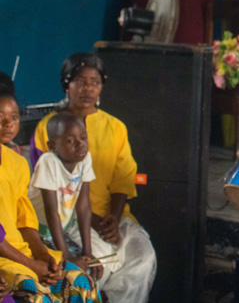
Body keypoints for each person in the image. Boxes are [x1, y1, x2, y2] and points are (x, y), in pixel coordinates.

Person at [32, 54, 156, 303]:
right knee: (95, 269)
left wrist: (114, 218)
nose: (88, 88)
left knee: (143, 259)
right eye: (80, 81)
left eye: (95, 82)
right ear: (67, 84)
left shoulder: (115, 127)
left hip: (114, 218)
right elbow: (54, 197)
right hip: (72, 223)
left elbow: (124, 178)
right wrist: (95, 224)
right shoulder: (49, 127)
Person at [0, 91, 100, 303]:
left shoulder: (17, 163)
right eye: (0, 117)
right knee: (36, 295)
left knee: (83, 284)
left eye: (14, 117)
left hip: (23, 251)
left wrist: (42, 254)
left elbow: (25, 221)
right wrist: (31, 264)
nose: (7, 123)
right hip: (4, 258)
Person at [28, 112, 104, 282]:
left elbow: (83, 206)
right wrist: (66, 255)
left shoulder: (85, 159)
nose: (80, 144)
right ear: (52, 146)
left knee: (89, 268)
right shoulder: (48, 162)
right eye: (70, 141)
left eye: (83, 138)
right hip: (36, 231)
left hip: (57, 231)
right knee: (67, 273)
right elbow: (51, 211)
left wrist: (87, 252)